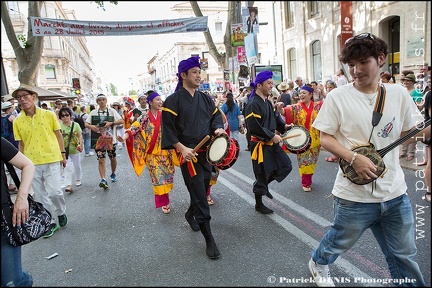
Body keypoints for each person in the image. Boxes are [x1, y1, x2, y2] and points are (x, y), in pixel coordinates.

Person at [308, 33, 427, 287]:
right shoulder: (337, 97)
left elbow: (409, 133)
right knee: (338, 242)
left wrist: (423, 133)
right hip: (354, 195)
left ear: (380, 59)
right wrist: (353, 158)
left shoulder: (398, 94)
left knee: (404, 256)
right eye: (351, 64)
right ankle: (318, 262)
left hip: (395, 193)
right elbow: (325, 137)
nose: (356, 70)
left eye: (363, 62)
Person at [161, 55, 225, 260]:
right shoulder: (172, 101)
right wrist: (181, 148)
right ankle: (209, 239)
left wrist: (217, 130)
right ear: (183, 75)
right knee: (200, 193)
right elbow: (168, 130)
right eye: (195, 72)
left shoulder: (205, 97)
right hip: (189, 157)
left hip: (207, 154)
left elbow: (216, 116)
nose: (199, 75)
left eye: (199, 72)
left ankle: (190, 214)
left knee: (202, 189)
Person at [12, 84, 68, 238]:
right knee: (39, 195)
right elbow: (21, 144)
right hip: (31, 163)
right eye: (19, 97)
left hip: (52, 158)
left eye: (25, 96)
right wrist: (21, 164)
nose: (22, 100)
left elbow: (58, 135)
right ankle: (49, 221)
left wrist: (63, 154)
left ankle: (61, 212)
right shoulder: (17, 121)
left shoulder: (48, 115)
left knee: (55, 191)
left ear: (33, 97)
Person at [117, 92, 179, 214]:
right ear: (150, 102)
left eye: (161, 100)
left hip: (167, 153)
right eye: (157, 100)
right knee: (158, 178)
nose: (160, 102)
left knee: (167, 176)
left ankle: (165, 196)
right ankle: (164, 203)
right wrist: (123, 138)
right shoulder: (144, 118)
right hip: (152, 155)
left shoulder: (166, 115)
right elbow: (133, 128)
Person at [244, 70, 293, 214]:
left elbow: (275, 118)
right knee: (262, 174)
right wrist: (271, 136)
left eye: (272, 83)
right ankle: (259, 203)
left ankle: (262, 186)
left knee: (286, 166)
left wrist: (284, 126)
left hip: (272, 142)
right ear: (259, 85)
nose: (271, 86)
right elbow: (253, 126)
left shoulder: (267, 102)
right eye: (269, 83)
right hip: (260, 144)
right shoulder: (253, 104)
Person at [1, 137, 35, 287]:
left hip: (3, 226)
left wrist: (22, 199)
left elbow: (27, 164)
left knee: (12, 283)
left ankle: (24, 280)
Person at [277, 85, 323, 192]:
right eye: (300, 93)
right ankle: (306, 182)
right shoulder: (296, 107)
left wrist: (323, 91)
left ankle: (308, 178)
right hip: (301, 139)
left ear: (311, 95)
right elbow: (285, 112)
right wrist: (279, 108)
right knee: (304, 161)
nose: (301, 95)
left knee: (312, 161)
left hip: (315, 138)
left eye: (304, 93)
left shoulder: (317, 106)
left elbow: (329, 103)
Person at [84, 94, 124, 189]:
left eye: (103, 100)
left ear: (106, 101)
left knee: (112, 158)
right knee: (101, 160)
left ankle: (113, 173)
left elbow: (121, 121)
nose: (102, 101)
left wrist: (112, 123)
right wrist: (91, 127)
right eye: (99, 100)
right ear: (97, 102)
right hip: (98, 140)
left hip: (111, 140)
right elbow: (86, 123)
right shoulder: (93, 112)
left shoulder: (112, 111)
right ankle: (103, 179)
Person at [59, 107, 83, 193]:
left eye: (66, 115)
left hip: (75, 148)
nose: (65, 117)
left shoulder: (75, 125)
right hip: (64, 150)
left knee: (77, 165)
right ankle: (69, 184)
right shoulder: (59, 126)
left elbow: (80, 135)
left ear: (70, 115)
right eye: (62, 116)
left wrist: (81, 144)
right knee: (67, 166)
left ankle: (78, 178)